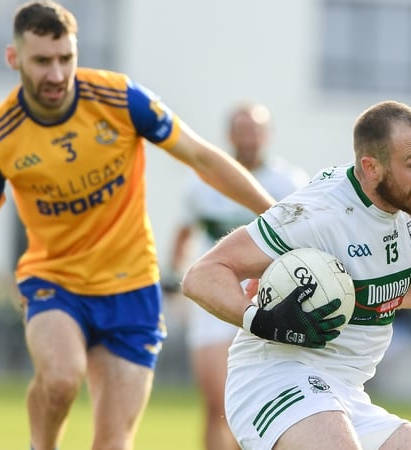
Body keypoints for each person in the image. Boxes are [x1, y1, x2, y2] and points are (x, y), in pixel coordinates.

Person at [0, 2, 279, 449]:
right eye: (42, 61)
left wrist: (274, 215)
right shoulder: (1, 136)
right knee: (61, 376)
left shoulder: (119, 98)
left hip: (131, 288)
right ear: (14, 58)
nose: (57, 74)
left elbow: (201, 157)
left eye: (66, 58)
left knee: (114, 443)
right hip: (54, 281)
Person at [181, 100, 411, 450]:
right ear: (371, 167)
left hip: (345, 393)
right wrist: (260, 319)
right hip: (274, 380)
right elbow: (202, 275)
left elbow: (397, 290)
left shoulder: (404, 206)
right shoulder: (317, 214)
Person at [166, 102, 309, 450]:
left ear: (267, 135)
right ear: (230, 135)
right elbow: (183, 234)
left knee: (266, 406)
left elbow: (305, 238)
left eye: (255, 130)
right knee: (218, 405)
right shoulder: (203, 181)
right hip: (215, 296)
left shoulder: (288, 182)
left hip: (268, 295)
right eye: (242, 129)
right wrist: (174, 283)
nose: (249, 137)